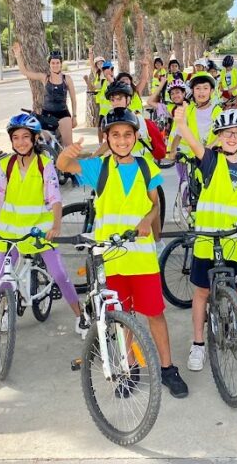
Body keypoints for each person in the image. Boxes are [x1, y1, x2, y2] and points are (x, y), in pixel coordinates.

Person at [57, 110, 190, 398]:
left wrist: (148, 220)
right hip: (112, 260)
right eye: (115, 135)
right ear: (107, 138)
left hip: (142, 259)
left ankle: (168, 368)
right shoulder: (99, 168)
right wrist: (67, 153)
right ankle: (130, 367)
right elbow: (64, 165)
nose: (121, 140)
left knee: (155, 314)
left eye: (127, 134)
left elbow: (154, 205)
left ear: (136, 137)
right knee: (122, 317)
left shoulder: (146, 167)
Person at [171, 105, 237, 372]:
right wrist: (181, 123)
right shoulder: (211, 159)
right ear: (219, 136)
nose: (232, 138)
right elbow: (193, 143)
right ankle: (198, 344)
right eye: (227, 133)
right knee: (202, 292)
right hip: (209, 237)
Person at [0, 113, 83, 332]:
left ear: (34, 139)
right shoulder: (6, 165)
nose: (21, 142)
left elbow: (55, 199)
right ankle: (3, 311)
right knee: (1, 278)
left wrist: (56, 227)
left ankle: (81, 316)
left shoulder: (45, 165)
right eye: (16, 137)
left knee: (59, 274)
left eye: (26, 137)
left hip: (39, 232)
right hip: (10, 234)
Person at [168, 71, 222, 201]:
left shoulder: (217, 111)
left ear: (211, 91)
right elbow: (179, 132)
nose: (201, 92)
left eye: (205, 88)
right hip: (193, 155)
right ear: (192, 91)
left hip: (212, 156)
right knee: (190, 185)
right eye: (198, 88)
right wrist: (172, 150)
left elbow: (223, 134)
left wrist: (211, 146)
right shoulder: (189, 110)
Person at [13, 43, 78, 146]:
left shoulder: (67, 79)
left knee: (69, 146)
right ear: (49, 64)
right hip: (47, 114)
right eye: (53, 63)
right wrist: (18, 56)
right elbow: (24, 72)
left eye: (57, 63)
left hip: (63, 114)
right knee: (44, 145)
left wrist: (74, 116)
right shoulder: (44, 78)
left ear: (61, 64)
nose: (55, 65)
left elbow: (74, 99)